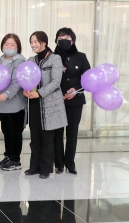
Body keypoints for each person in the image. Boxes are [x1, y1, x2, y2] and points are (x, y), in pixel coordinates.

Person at [23, 31, 67, 179]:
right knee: (35, 137)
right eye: (31, 42)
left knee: (47, 138)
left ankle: (46, 168)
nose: (33, 45)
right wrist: (25, 90)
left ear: (44, 43)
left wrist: (39, 93)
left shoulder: (55, 58)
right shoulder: (31, 60)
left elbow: (56, 82)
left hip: (50, 104)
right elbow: (26, 78)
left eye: (36, 41)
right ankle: (34, 166)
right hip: (34, 103)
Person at [53, 27, 90, 175]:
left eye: (67, 39)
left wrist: (76, 90)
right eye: (60, 39)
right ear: (56, 41)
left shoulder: (81, 57)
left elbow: (88, 79)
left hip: (75, 101)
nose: (64, 41)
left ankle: (70, 163)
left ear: (73, 41)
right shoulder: (53, 57)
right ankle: (59, 163)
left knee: (72, 133)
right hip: (57, 100)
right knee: (57, 133)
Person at [0, 34, 26, 171]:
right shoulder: (1, 60)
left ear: (18, 47)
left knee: (15, 133)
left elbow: (16, 82)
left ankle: (15, 160)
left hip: (15, 103)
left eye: (13, 45)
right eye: (6, 44)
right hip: (3, 104)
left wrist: (6, 94)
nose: (9, 47)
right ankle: (8, 156)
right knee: (6, 131)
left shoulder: (19, 61)